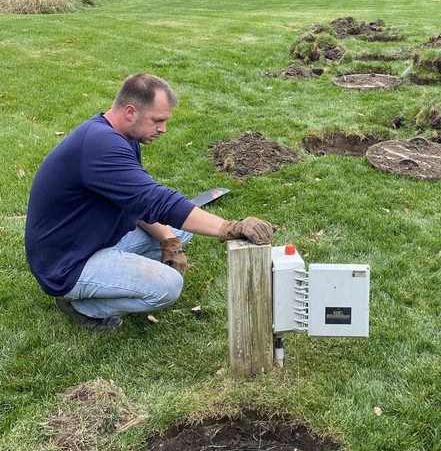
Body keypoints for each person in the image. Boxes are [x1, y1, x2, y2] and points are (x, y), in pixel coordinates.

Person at [25, 73, 273, 332]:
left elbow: (138, 201)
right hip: (67, 263)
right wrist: (228, 227)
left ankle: (114, 271)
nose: (163, 129)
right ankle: (79, 306)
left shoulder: (120, 137)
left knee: (179, 230)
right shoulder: (101, 146)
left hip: (93, 239)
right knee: (167, 286)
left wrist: (170, 242)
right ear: (131, 111)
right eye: (158, 120)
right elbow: (156, 201)